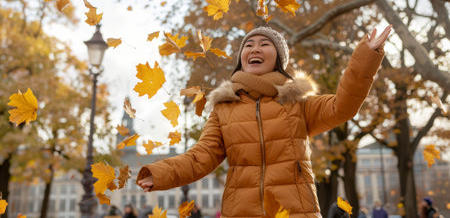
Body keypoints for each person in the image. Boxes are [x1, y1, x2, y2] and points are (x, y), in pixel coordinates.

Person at [137, 25, 391, 217]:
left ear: (278, 59)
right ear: (242, 59)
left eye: (264, 44)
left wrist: (366, 57)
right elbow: (199, 157)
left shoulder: (297, 102)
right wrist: (158, 174)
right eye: (249, 45)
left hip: (295, 210)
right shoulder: (224, 109)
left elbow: (342, 106)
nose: (255, 48)